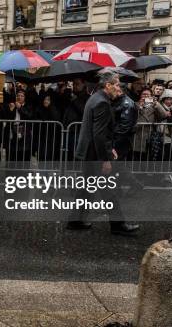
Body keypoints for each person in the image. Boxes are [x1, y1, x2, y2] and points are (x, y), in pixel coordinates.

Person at [68, 70, 140, 236]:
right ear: (107, 85)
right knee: (107, 189)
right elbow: (99, 135)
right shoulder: (102, 102)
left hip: (89, 152)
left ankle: (75, 220)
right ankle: (117, 224)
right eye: (116, 84)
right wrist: (105, 159)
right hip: (94, 154)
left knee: (86, 188)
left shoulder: (96, 97)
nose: (118, 87)